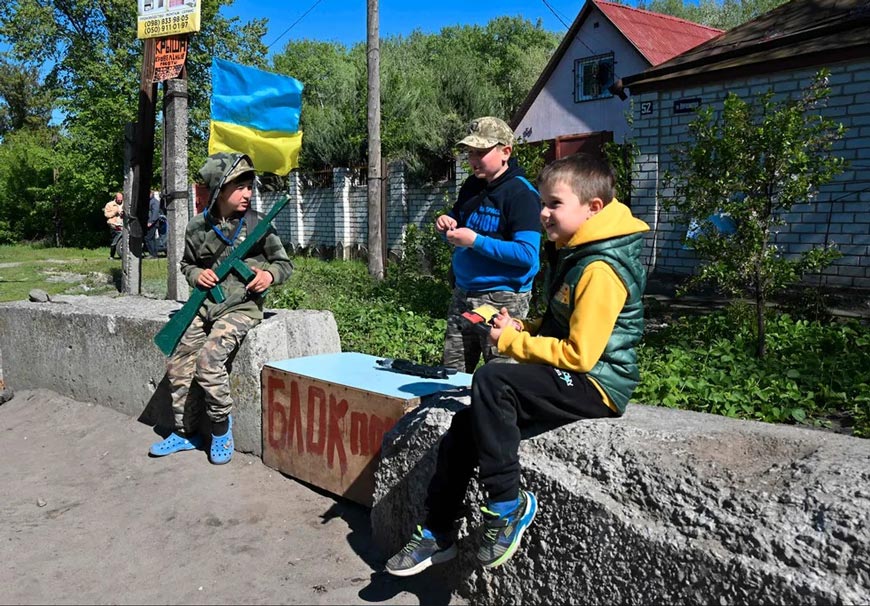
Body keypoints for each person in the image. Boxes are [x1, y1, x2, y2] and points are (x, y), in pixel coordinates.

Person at [385, 153, 650, 576]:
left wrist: (512, 341)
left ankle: (507, 506)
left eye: (554, 204)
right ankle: (438, 531)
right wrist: (523, 324)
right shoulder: (578, 249)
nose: (543, 213)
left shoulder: (600, 267)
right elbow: (563, 320)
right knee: (465, 426)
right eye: (543, 202)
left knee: (492, 376)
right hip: (575, 375)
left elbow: (582, 355)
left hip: (598, 384)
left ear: (593, 208)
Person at [149, 152, 293, 465]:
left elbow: (284, 264)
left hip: (242, 308)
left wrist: (268, 275)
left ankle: (220, 428)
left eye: (249, 187)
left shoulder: (258, 225)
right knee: (177, 361)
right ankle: (186, 431)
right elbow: (187, 264)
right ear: (219, 190)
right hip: (206, 306)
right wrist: (197, 275)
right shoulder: (197, 227)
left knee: (209, 360)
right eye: (239, 187)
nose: (248, 193)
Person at [436, 116, 541, 373]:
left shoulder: (522, 194)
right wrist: (446, 225)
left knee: (502, 374)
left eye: (481, 152)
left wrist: (475, 241)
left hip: (503, 299)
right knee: (453, 373)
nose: (473, 160)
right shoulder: (472, 186)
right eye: (470, 152)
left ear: (506, 151)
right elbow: (459, 228)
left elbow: (527, 254)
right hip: (464, 293)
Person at [103, 192, 124, 259]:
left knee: (123, 239)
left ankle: (123, 254)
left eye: (121, 200)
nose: (120, 201)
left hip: (123, 224)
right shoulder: (110, 204)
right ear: (115, 198)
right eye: (118, 200)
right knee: (115, 240)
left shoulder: (125, 204)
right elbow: (106, 215)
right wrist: (115, 212)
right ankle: (112, 255)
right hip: (114, 224)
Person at [144, 189, 162, 258]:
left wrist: (151, 222)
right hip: (150, 222)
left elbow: (155, 212)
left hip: (152, 223)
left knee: (148, 238)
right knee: (152, 238)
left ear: (151, 194)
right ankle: (154, 254)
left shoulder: (154, 202)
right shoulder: (150, 201)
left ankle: (152, 253)